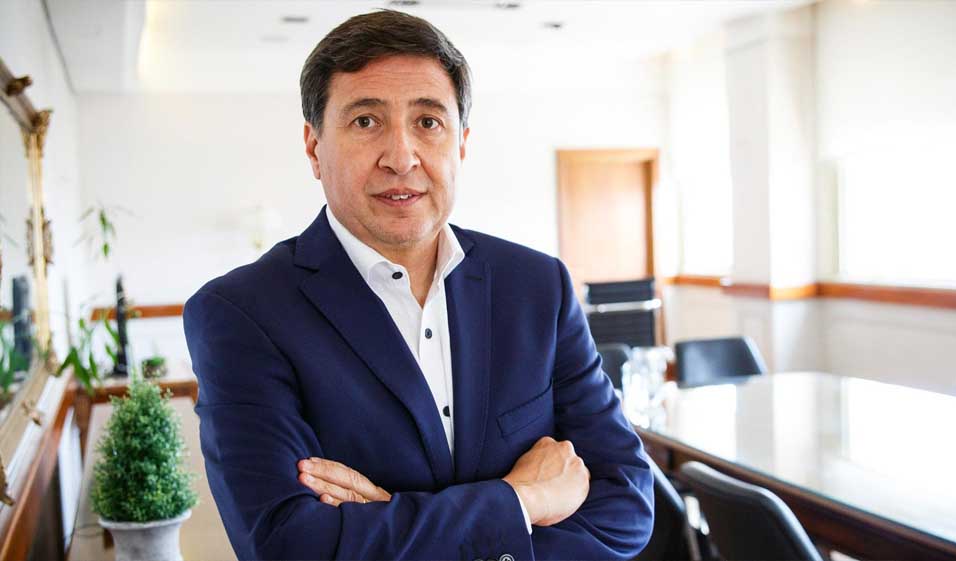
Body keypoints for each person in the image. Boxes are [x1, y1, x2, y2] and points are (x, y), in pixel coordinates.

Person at [183, 9, 653, 561]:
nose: (401, 157)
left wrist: (393, 525)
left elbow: (627, 503)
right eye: (366, 121)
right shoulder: (241, 313)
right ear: (314, 147)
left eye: (428, 122)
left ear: (461, 144)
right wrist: (521, 499)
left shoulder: (536, 287)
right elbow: (289, 544)